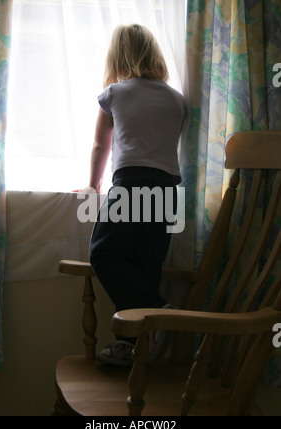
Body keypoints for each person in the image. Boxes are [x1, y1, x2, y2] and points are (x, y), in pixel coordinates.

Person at [81, 24, 186, 366]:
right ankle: (130, 344)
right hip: (168, 191)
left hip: (131, 184)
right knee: (144, 266)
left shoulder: (115, 93)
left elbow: (101, 144)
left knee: (104, 254)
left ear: (117, 57)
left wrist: (94, 185)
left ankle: (157, 312)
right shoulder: (176, 99)